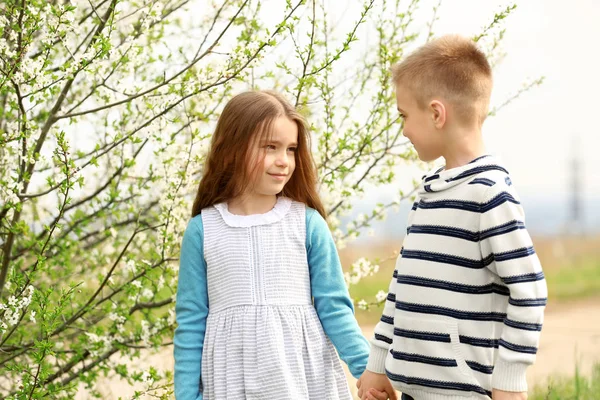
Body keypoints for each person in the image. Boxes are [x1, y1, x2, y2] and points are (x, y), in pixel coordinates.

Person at [358, 35, 547, 400]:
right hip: (414, 390)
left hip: (463, 393)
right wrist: (378, 364)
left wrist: (509, 379)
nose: (403, 130)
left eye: (404, 116)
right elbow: (403, 284)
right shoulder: (431, 193)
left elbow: (530, 291)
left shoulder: (489, 194)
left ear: (436, 113)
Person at [173, 90, 387, 400]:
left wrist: (367, 373)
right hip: (232, 385)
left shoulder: (307, 224)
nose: (283, 161)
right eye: (270, 147)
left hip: (302, 381)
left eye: (290, 149)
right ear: (232, 149)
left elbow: (335, 308)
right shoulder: (203, 230)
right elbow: (191, 323)